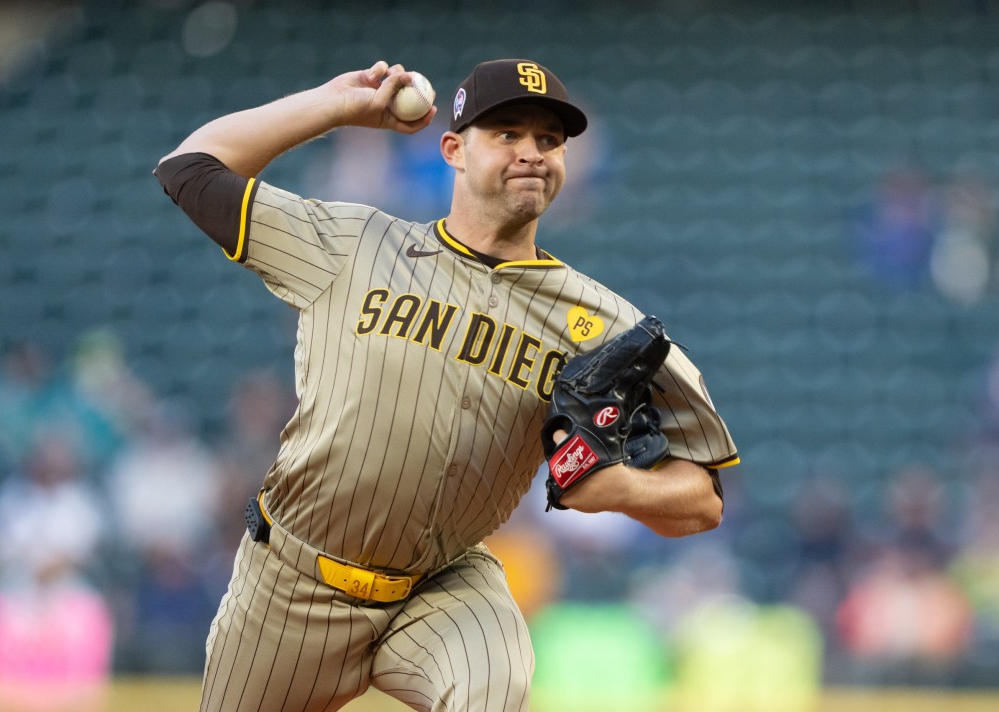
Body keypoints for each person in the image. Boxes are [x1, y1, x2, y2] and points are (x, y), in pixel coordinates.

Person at [154, 58, 738, 712]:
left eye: (549, 141)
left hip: (443, 586)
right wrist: (333, 106)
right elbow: (190, 168)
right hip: (291, 580)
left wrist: (622, 487)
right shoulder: (352, 244)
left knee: (496, 681)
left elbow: (706, 493)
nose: (532, 153)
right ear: (454, 150)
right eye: (508, 134)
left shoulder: (603, 323)